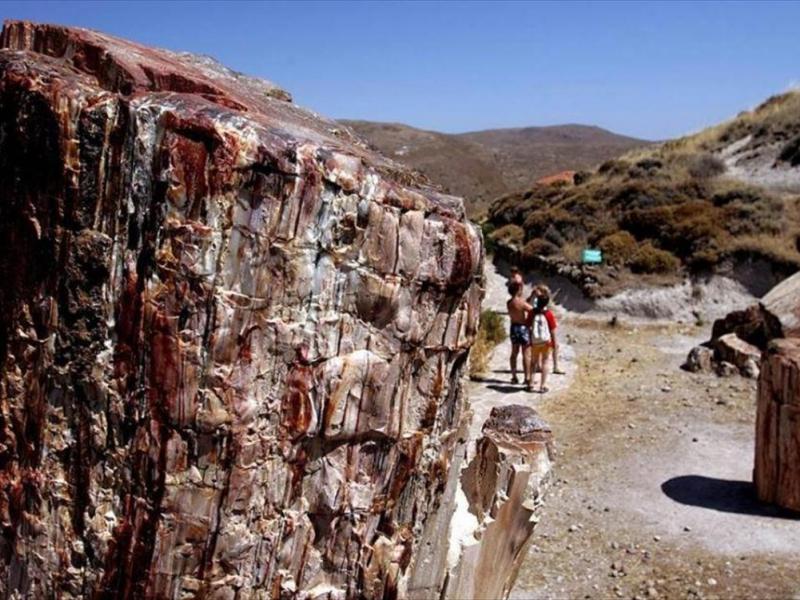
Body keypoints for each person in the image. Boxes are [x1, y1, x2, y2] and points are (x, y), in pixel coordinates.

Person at [527, 286, 556, 392]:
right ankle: (542, 386)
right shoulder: (549, 314)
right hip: (546, 342)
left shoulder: (532, 312)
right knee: (545, 362)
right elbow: (552, 330)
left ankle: (530, 384)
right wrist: (554, 343)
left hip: (535, 342)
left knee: (533, 362)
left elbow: (528, 325)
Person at [506, 280, 532, 386]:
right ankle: (527, 377)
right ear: (518, 290)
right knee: (526, 354)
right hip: (523, 327)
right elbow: (531, 310)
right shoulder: (521, 302)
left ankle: (514, 376)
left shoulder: (509, 303)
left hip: (514, 327)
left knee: (514, 353)